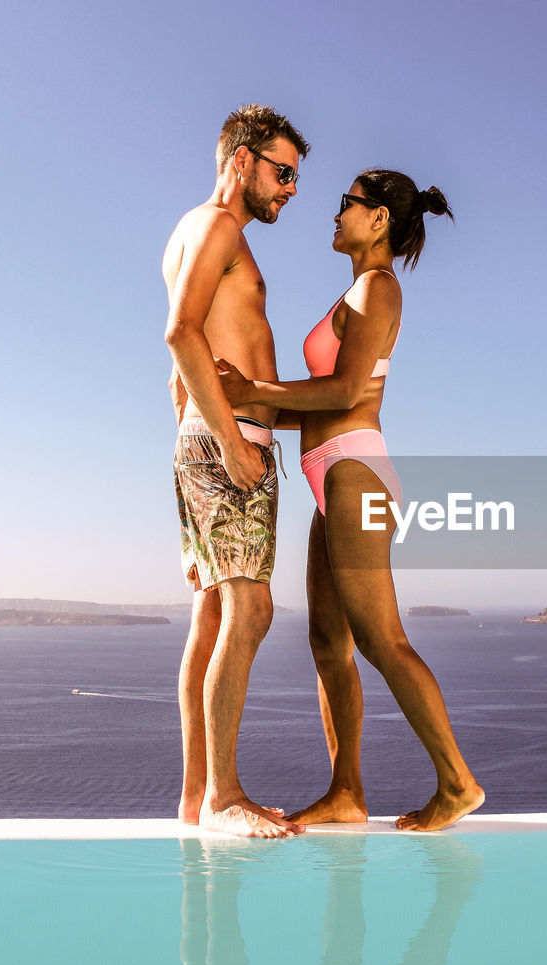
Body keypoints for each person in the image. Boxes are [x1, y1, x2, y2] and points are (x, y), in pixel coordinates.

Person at [219, 168, 485, 830]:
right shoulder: (357, 289)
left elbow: (342, 395)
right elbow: (317, 405)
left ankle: (456, 783)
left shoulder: (379, 288)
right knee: (327, 641)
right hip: (331, 471)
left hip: (354, 471)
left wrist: (253, 390)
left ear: (380, 220)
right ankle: (348, 792)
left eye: (348, 204)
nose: (334, 213)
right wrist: (240, 402)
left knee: (380, 637)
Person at [162, 104, 310, 839]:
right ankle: (222, 796)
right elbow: (180, 333)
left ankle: (197, 795)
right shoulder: (219, 227)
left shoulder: (189, 231)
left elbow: (177, 370)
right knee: (249, 610)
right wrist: (229, 444)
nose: (289, 189)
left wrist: (196, 441)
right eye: (283, 172)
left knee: (216, 612)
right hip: (228, 442)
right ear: (242, 160)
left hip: (207, 438)